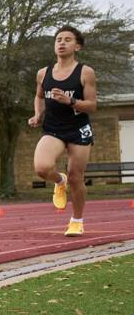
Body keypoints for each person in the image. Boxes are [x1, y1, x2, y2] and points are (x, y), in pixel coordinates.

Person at [29, 26, 97, 236]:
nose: (62, 43)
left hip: (78, 129)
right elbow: (40, 96)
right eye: (58, 39)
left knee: (76, 176)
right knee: (41, 168)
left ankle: (76, 220)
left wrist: (71, 101)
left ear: (76, 46)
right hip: (54, 129)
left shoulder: (85, 72)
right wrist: (38, 114)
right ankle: (60, 181)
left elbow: (92, 105)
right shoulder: (43, 73)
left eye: (67, 39)